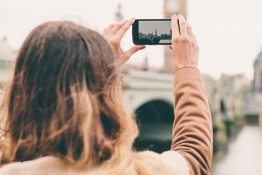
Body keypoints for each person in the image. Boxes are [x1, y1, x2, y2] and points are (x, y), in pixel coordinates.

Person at [0, 14, 212, 175]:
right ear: (103, 103)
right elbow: (193, 154)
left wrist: (104, 71)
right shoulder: (134, 171)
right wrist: (187, 68)